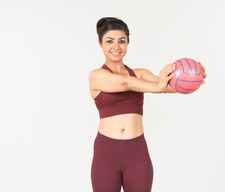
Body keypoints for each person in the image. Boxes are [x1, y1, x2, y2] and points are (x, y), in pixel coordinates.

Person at [88, 17, 207, 192]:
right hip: (106, 153)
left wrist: (192, 79)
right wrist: (158, 85)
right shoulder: (96, 76)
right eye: (109, 41)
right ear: (100, 44)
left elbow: (167, 87)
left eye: (122, 41)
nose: (116, 46)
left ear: (128, 43)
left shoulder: (140, 74)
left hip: (136, 153)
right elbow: (125, 84)